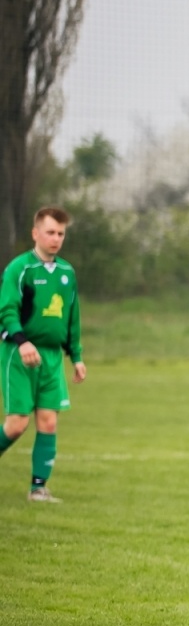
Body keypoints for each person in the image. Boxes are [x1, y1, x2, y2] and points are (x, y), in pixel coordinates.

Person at [0, 206, 86, 503]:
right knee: (17, 424)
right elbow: (7, 310)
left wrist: (76, 356)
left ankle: (38, 489)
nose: (56, 238)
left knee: (48, 421)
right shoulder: (19, 268)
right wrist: (22, 341)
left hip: (51, 358)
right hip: (19, 354)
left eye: (61, 233)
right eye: (50, 232)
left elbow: (71, 317)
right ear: (35, 233)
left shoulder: (66, 272)